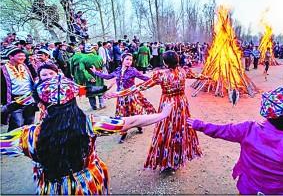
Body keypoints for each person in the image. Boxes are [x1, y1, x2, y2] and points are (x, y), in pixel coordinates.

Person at [0, 73, 172, 195]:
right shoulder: (90, 124)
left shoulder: (27, 135)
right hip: (90, 185)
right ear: (74, 100)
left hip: (52, 188)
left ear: (41, 106)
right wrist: (162, 115)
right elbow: (130, 122)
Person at [106, 50, 208, 173]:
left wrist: (118, 93)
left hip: (167, 105)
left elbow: (139, 87)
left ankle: (168, 160)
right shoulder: (183, 71)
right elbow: (199, 76)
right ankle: (177, 158)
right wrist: (210, 76)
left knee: (167, 130)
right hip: (181, 104)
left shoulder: (161, 75)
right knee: (180, 129)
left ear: (165, 63)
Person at [91, 53, 156, 143]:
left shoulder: (133, 71)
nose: (129, 61)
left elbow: (145, 78)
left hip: (131, 96)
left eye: (130, 60)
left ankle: (138, 125)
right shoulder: (117, 70)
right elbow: (108, 76)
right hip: (121, 98)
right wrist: (95, 72)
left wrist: (156, 79)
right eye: (127, 59)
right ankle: (123, 133)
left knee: (134, 112)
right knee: (122, 114)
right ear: (122, 59)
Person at [1, 46, 37, 131]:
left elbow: (35, 78)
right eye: (20, 56)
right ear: (11, 57)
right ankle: (14, 143)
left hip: (29, 99)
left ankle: (26, 141)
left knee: (29, 122)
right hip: (15, 100)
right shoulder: (3, 69)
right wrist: (3, 101)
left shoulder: (27, 66)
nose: (23, 58)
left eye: (24, 56)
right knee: (17, 123)